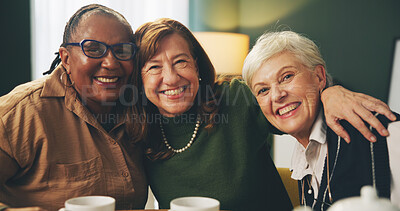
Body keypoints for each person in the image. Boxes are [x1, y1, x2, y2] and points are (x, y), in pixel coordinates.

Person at [133, 18, 395, 211]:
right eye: (154, 67)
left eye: (181, 62)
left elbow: (293, 100)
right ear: (138, 80)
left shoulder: (233, 99)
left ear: (197, 67)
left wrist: (330, 91)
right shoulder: (136, 130)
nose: (170, 77)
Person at [0, 4, 147, 211]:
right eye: (94, 49)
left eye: (122, 51)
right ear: (66, 59)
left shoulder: (139, 110)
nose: (111, 63)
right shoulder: (21, 112)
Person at [242, 31, 400, 210]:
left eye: (287, 77)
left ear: (319, 77)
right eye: (263, 90)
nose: (277, 95)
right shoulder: (302, 159)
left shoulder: (388, 134)